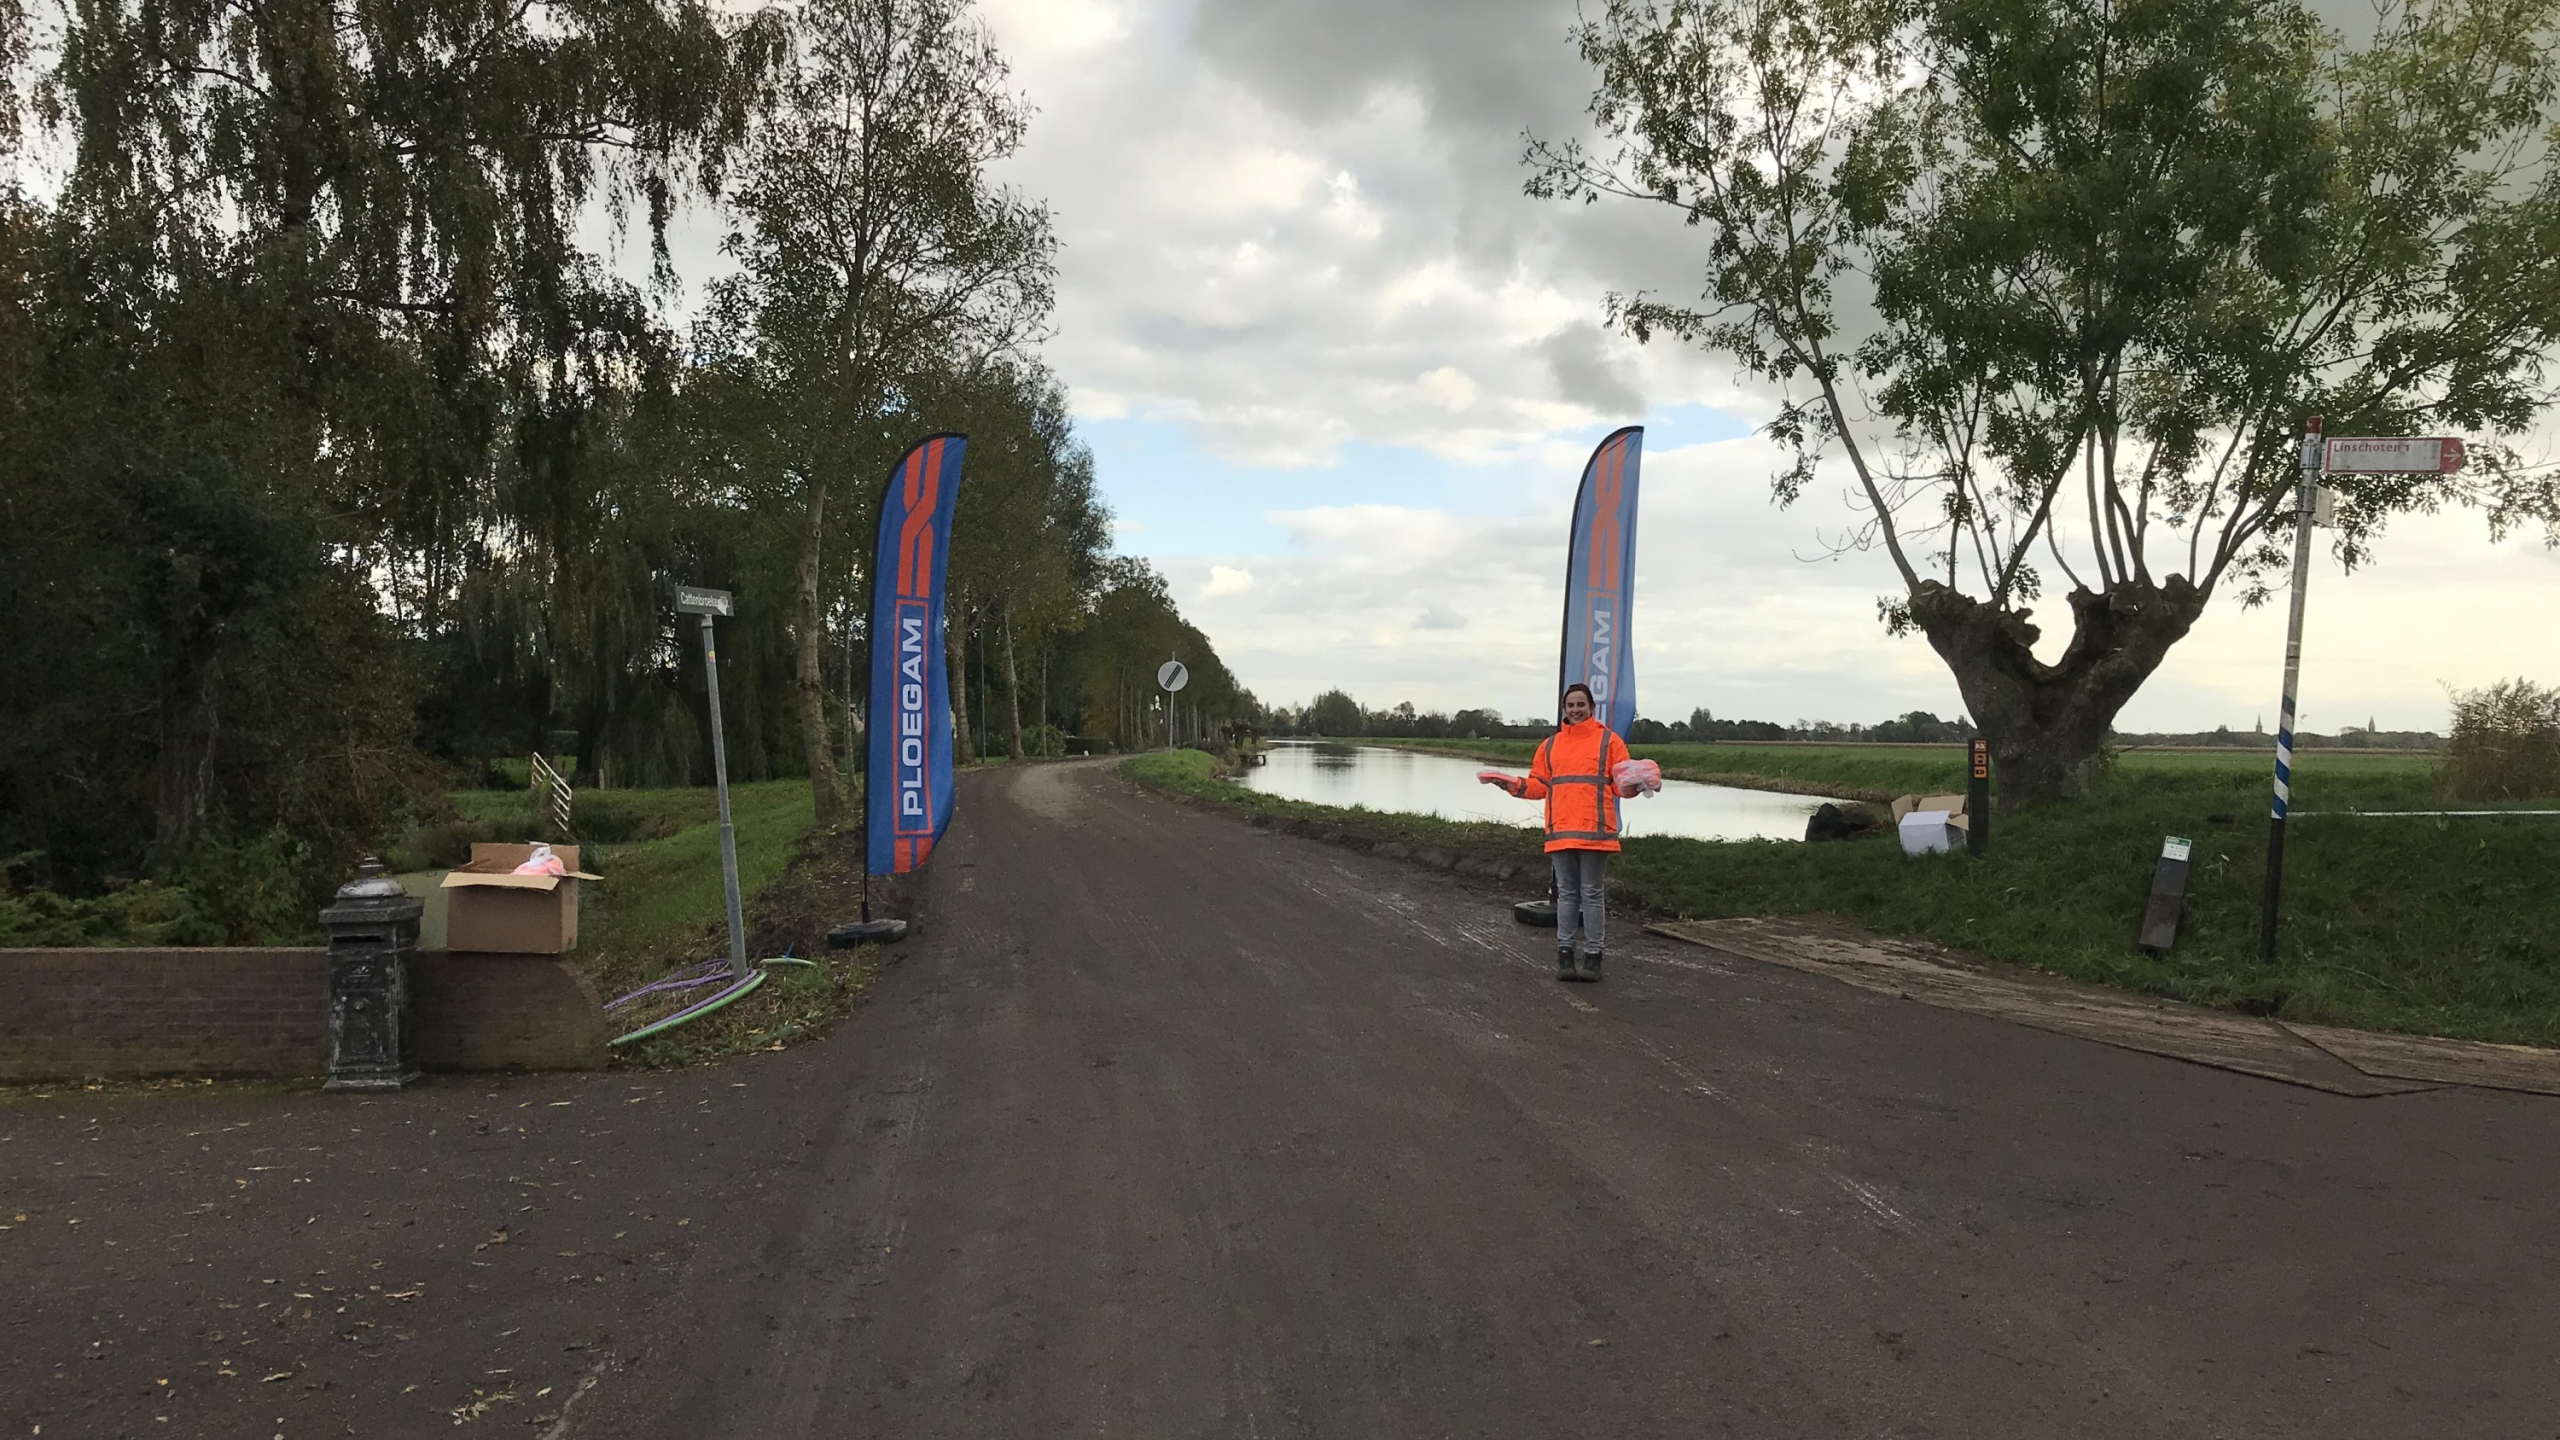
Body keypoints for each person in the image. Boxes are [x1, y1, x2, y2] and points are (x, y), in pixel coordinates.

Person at [1478, 683, 1634, 982]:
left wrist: (1637, 785)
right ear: (1564, 710)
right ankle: (1565, 955)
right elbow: (1539, 785)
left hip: (1596, 830)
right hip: (1561, 829)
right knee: (1566, 895)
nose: (1576, 710)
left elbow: (1620, 786)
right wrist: (1513, 785)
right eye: (1571, 705)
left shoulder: (1609, 742)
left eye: (1581, 704)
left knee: (1591, 894)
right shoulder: (1551, 745)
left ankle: (1593, 958)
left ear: (1591, 707)